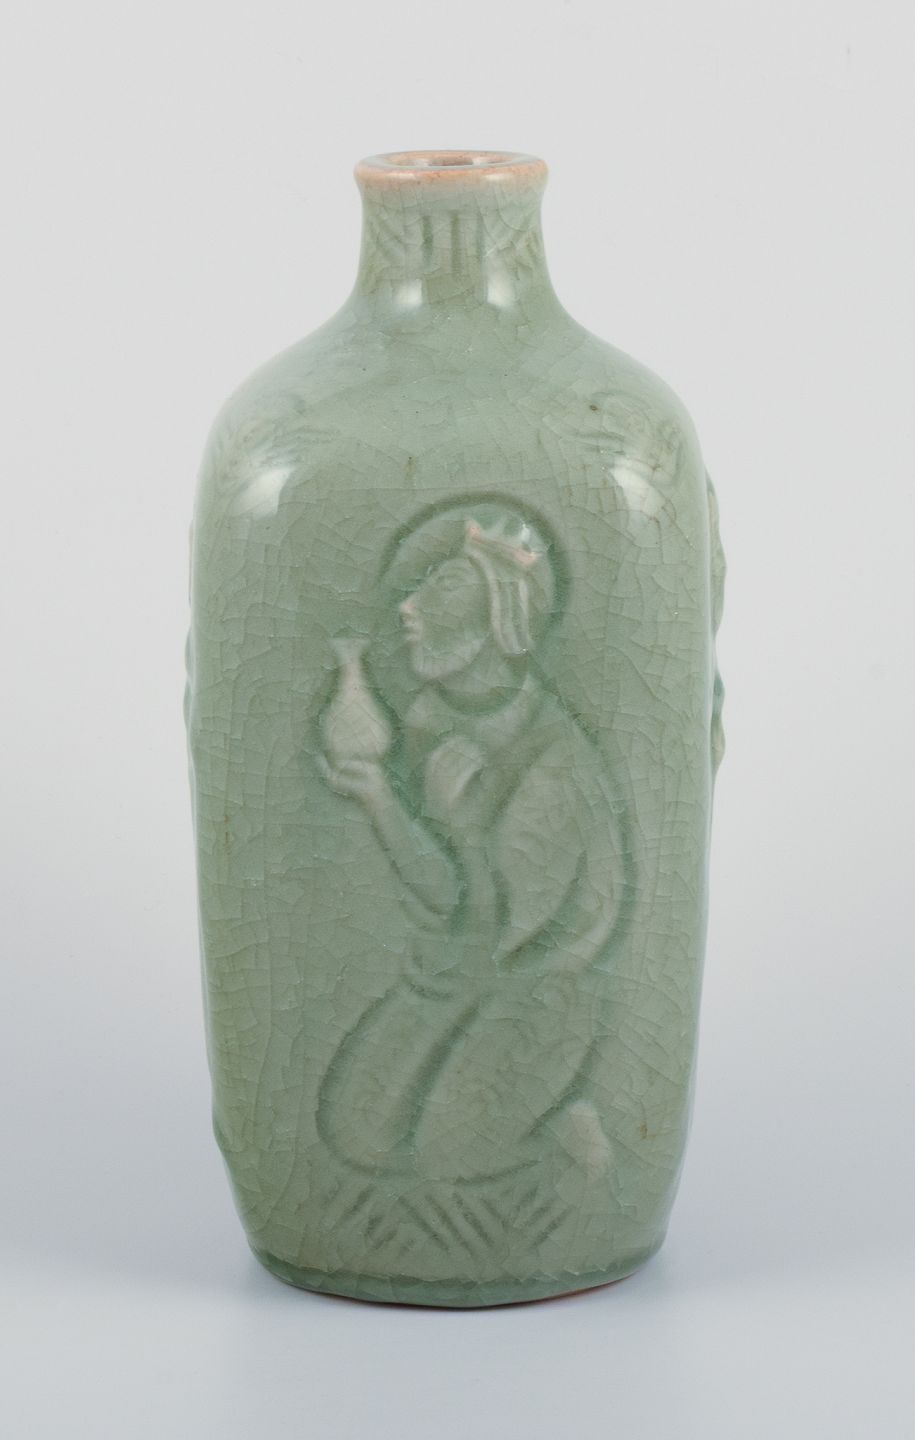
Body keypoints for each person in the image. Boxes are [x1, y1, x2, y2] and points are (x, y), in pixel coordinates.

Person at [317, 514, 624, 1184]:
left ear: (503, 618)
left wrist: (444, 824)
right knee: (355, 1132)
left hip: (536, 990)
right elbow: (439, 903)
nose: (409, 607)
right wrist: (381, 799)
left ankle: (563, 1123)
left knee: (451, 1150)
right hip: (452, 976)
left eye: (443, 590)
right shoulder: (432, 716)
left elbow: (494, 922)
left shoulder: (554, 765)